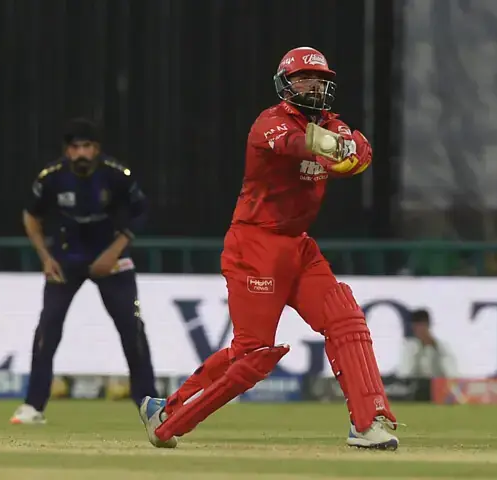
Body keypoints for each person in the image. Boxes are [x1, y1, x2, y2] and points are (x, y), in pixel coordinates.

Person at [138, 47, 400, 450]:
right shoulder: (270, 124)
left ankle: (368, 422)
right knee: (252, 353)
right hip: (254, 243)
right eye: (302, 79)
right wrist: (345, 147)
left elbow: (359, 156)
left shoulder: (333, 124)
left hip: (298, 245)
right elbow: (303, 145)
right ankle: (168, 413)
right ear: (285, 84)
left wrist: (355, 149)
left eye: (319, 80)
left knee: (345, 318)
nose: (312, 86)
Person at [10, 118, 159, 424]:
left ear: (97, 149)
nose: (81, 153)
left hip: (112, 258)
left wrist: (115, 251)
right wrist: (45, 257)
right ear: (67, 151)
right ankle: (33, 406)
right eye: (75, 147)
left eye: (86, 147)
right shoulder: (51, 178)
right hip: (66, 258)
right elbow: (30, 215)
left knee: (132, 329)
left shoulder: (116, 175)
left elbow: (141, 211)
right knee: (48, 326)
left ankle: (150, 406)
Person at [397, 309, 458, 379]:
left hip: (438, 386)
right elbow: (405, 373)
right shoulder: (409, 348)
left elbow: (452, 372)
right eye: (415, 327)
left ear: (427, 325)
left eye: (420, 326)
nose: (417, 330)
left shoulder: (442, 347)